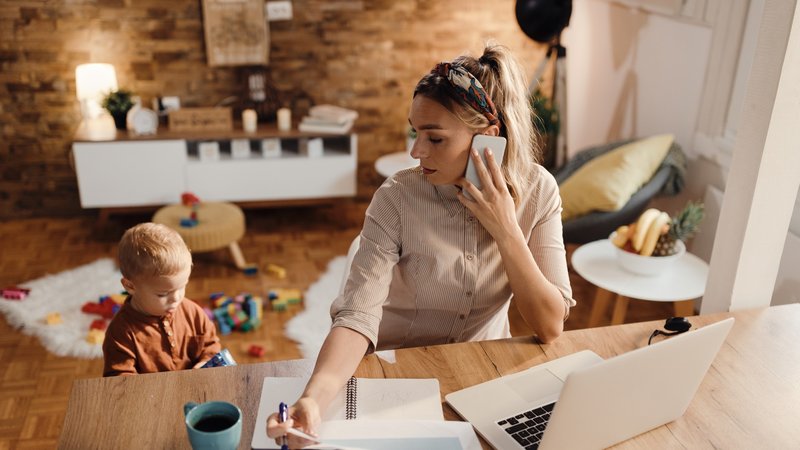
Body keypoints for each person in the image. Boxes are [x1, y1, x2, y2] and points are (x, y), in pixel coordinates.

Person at [267, 43, 574, 445]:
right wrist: (313, 398)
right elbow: (356, 318)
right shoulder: (396, 198)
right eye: (416, 132)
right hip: (396, 371)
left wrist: (506, 229)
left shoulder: (539, 191)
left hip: (480, 374)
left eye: (435, 138)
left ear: (488, 140)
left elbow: (550, 326)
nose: (416, 151)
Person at [102, 222, 221, 376]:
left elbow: (211, 346)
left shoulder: (193, 312)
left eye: (181, 287)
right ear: (130, 286)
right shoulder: (121, 333)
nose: (176, 298)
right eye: (163, 294)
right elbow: (119, 380)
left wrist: (205, 363)